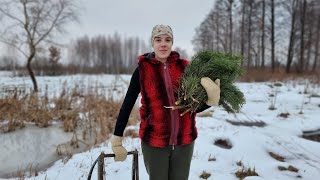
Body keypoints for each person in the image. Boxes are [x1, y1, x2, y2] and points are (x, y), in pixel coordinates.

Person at [110, 24, 220, 180]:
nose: (163, 43)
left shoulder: (185, 68)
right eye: (158, 39)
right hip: (155, 143)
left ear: (172, 43)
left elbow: (192, 106)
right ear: (152, 43)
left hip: (184, 142)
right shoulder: (142, 70)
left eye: (167, 39)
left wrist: (210, 100)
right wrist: (117, 138)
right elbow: (127, 104)